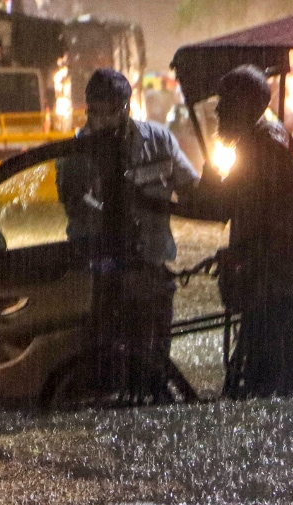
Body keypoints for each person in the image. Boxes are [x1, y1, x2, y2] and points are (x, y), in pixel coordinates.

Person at [56, 68, 198, 403]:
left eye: (111, 111)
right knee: (103, 371)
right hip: (99, 276)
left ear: (127, 107)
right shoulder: (75, 153)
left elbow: (191, 189)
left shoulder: (159, 141)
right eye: (95, 112)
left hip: (150, 268)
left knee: (152, 365)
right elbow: (74, 206)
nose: (103, 120)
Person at [180, 66, 293, 398]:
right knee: (254, 380)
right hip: (268, 276)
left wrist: (240, 253)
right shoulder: (255, 143)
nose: (217, 111)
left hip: (278, 284)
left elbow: (261, 216)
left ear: (246, 105)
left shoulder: (264, 147)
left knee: (261, 387)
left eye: (225, 102)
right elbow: (225, 205)